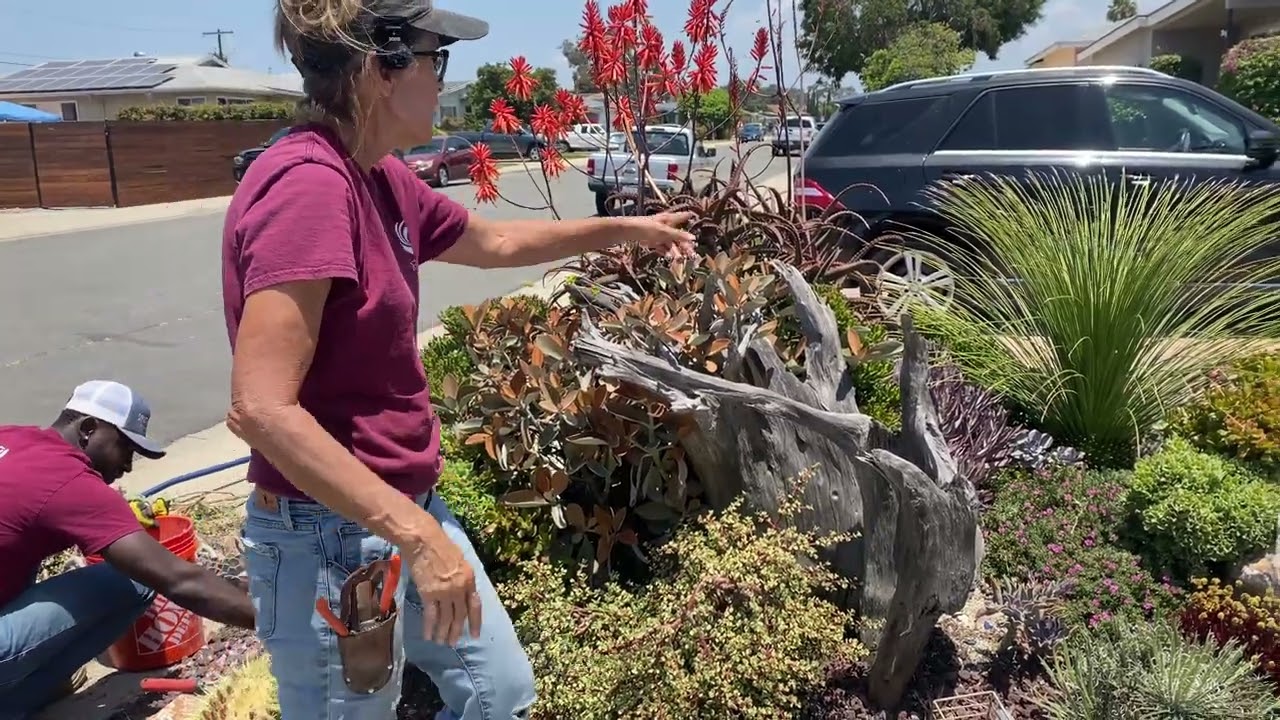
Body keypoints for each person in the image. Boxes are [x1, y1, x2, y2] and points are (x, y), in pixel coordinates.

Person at [221, 1, 696, 718]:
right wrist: (416, 539)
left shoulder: (376, 175)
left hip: (400, 506)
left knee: (497, 694)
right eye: (434, 59)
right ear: (384, 67)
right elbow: (259, 407)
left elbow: (492, 244)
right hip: (327, 531)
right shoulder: (311, 186)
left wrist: (620, 229)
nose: (444, 81)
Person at [0, 381, 256, 719]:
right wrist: (282, 623)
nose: (129, 467)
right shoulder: (68, 482)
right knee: (134, 582)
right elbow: (178, 580)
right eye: (125, 448)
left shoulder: (13, 438)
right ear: (89, 429)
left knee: (22, 543)